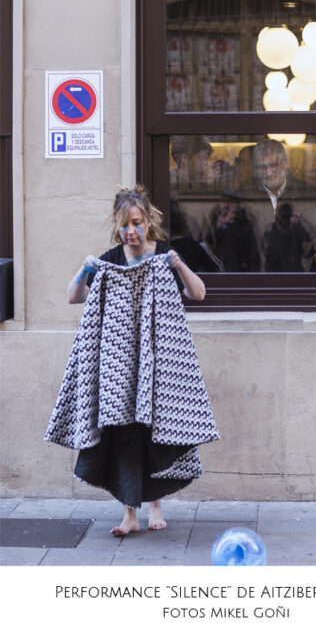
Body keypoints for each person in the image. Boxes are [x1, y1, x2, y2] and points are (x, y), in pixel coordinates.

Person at [64, 185, 212, 536]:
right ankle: (129, 514)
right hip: (120, 364)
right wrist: (85, 270)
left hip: (158, 362)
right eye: (125, 225)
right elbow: (74, 297)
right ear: (118, 226)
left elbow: (199, 293)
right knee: (126, 433)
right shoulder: (111, 260)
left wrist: (179, 265)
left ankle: (155, 506)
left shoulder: (163, 257)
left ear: (148, 223)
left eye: (137, 223)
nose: (131, 231)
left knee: (156, 431)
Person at [205, 191, 260, 270]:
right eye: (225, 202)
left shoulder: (244, 222)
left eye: (232, 202)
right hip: (220, 268)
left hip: (238, 270)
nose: (227, 206)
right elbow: (209, 240)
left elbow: (252, 249)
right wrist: (220, 225)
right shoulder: (217, 219)